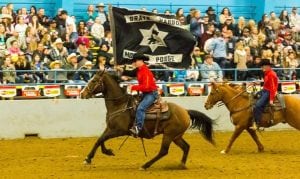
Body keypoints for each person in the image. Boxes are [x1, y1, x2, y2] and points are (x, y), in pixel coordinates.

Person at [129, 53, 158, 137]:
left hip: (151, 93)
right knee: (133, 105)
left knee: (140, 108)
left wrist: (133, 87)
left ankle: (138, 127)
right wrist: (121, 71)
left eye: (135, 61)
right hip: (146, 93)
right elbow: (130, 73)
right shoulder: (139, 70)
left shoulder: (146, 71)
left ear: (141, 61)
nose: (134, 63)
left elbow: (147, 87)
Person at [252, 59, 278, 130]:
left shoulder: (271, 74)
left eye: (262, 66)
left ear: (267, 66)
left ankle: (257, 123)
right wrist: (259, 83)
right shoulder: (266, 73)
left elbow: (272, 88)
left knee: (258, 105)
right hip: (265, 90)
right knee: (253, 97)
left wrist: (271, 100)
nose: (261, 68)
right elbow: (267, 83)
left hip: (269, 92)